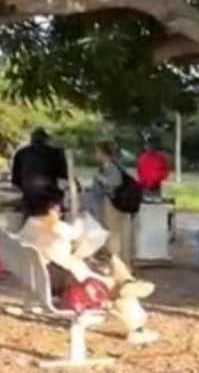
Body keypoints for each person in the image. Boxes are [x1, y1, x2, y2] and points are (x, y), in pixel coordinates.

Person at [18, 188, 158, 344]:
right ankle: (136, 327)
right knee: (115, 284)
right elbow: (75, 237)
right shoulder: (57, 228)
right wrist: (81, 221)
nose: (60, 212)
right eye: (59, 209)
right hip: (69, 284)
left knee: (111, 262)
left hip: (49, 280)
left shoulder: (28, 228)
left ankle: (127, 282)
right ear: (50, 210)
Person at [87, 141, 132, 267]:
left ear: (103, 153)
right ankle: (117, 262)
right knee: (113, 233)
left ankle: (116, 263)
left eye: (97, 152)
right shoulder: (112, 165)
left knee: (113, 233)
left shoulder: (110, 166)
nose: (95, 155)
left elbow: (115, 182)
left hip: (112, 203)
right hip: (113, 202)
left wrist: (99, 178)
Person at [11, 128, 68, 218]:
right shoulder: (56, 152)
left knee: (28, 213)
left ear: (31, 140)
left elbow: (15, 180)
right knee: (58, 213)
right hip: (50, 196)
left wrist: (28, 189)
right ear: (46, 140)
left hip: (29, 198)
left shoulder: (20, 153)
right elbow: (64, 174)